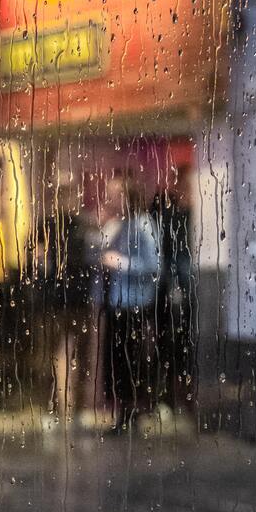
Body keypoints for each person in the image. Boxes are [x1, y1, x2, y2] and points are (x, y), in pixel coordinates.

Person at [95, 175, 162, 434]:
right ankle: (123, 412)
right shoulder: (121, 225)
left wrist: (120, 262)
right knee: (118, 362)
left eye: (116, 194)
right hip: (117, 303)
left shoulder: (142, 225)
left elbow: (155, 267)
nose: (111, 199)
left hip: (134, 304)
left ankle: (133, 412)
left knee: (130, 359)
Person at [40, 173, 101, 426]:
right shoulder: (48, 223)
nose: (67, 200)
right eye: (62, 195)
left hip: (80, 295)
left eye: (70, 194)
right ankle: (52, 406)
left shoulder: (85, 224)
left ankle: (79, 408)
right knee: (52, 353)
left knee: (84, 354)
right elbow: (32, 250)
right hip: (56, 296)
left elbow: (94, 255)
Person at [151, 169, 195, 417]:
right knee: (167, 343)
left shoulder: (189, 213)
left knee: (183, 344)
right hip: (168, 282)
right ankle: (167, 397)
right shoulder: (164, 208)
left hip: (178, 281)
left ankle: (180, 398)